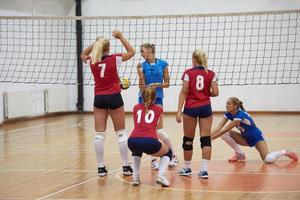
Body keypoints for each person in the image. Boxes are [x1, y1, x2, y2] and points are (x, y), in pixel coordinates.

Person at [80, 30, 135, 177]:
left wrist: (95, 43)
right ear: (108, 48)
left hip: (99, 98)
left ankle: (100, 168)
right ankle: (125, 166)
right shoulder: (114, 59)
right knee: (121, 133)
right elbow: (131, 51)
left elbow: (82, 55)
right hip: (114, 97)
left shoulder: (92, 60)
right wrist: (121, 36)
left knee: (99, 135)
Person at [211, 97, 298, 163]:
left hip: (256, 138)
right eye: (226, 103)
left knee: (268, 160)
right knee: (225, 134)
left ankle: (285, 152)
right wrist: (206, 136)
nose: (226, 105)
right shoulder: (229, 114)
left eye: (229, 104)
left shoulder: (240, 115)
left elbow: (225, 128)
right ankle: (240, 154)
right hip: (245, 138)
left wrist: (210, 139)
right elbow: (219, 127)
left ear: (235, 106)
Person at [176, 49, 219, 179]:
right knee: (205, 139)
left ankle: (187, 168)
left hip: (191, 108)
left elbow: (184, 92)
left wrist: (179, 111)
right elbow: (216, 93)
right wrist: (205, 94)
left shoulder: (188, 73)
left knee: (188, 139)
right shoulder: (211, 74)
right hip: (206, 108)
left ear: (194, 59)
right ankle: (204, 170)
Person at [137, 43, 178, 170]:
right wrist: (140, 75)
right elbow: (141, 87)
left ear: (150, 51)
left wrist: (157, 85)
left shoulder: (163, 64)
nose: (141, 54)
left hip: (158, 98)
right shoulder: (141, 66)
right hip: (143, 100)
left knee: (159, 130)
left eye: (143, 51)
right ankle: (154, 160)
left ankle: (173, 155)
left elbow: (167, 83)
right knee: (148, 130)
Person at [128, 86, 173, 187]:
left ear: (142, 96)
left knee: (136, 151)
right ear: (155, 98)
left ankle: (135, 178)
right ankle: (161, 176)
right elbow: (160, 129)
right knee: (168, 152)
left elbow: (137, 125)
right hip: (149, 141)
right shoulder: (159, 108)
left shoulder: (135, 107)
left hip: (132, 140)